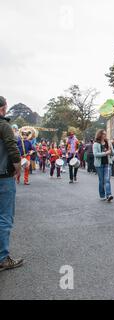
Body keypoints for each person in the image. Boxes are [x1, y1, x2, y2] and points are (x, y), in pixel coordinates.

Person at [0, 96, 24, 272]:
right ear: (3, 108)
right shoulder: (4, 125)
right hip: (3, 176)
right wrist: (17, 166)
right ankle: (2, 258)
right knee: (5, 217)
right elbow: (11, 145)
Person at [93, 130, 114, 202]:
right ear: (100, 135)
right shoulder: (96, 144)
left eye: (105, 134)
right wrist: (105, 153)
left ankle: (109, 195)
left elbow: (113, 153)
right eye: (104, 134)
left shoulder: (108, 143)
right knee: (101, 181)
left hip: (107, 164)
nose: (105, 135)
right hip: (99, 165)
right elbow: (96, 154)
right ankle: (102, 195)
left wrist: (111, 149)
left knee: (107, 180)